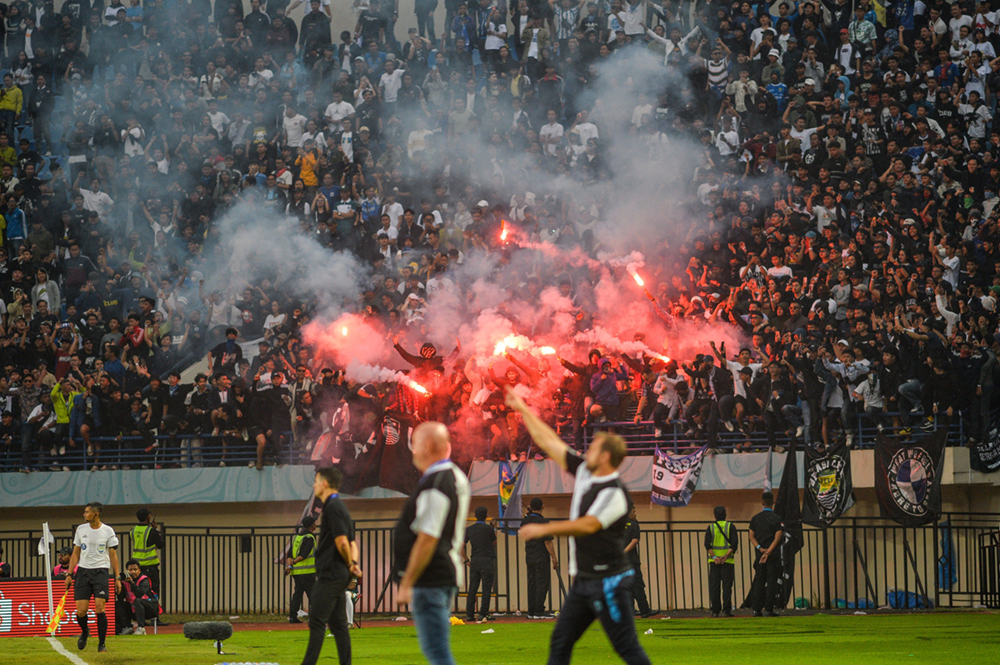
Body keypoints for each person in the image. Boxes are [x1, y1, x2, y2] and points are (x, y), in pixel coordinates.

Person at [507, 389, 651, 665]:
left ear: (606, 457)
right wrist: (524, 410)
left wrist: (546, 529)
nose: (587, 450)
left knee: (627, 648)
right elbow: (550, 443)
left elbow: (590, 525)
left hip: (608, 580)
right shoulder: (586, 471)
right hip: (584, 581)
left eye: (594, 447)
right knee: (560, 641)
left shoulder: (615, 492)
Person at [394, 422, 471, 665]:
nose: (412, 452)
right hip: (440, 574)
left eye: (414, 445)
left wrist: (407, 581)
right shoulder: (454, 476)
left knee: (437, 652)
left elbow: (428, 537)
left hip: (431, 578)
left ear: (427, 446)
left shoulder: (437, 482)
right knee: (437, 651)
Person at [299, 467, 361, 665]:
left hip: (331, 574)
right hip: (338, 573)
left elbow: (342, 542)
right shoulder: (341, 508)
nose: (314, 485)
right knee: (339, 626)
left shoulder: (333, 507)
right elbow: (352, 543)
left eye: (316, 481)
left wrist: (350, 563)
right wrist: (353, 565)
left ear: (324, 483)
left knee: (316, 621)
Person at [65, 502, 122, 653]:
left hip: (101, 572)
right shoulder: (81, 530)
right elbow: (76, 553)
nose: (84, 514)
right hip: (83, 573)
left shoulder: (108, 531)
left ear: (95, 514)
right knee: (81, 611)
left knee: (99, 607)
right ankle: (85, 631)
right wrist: (70, 574)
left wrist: (117, 577)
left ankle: (101, 644)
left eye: (86, 512)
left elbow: (113, 555)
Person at [748, 491, 784, 617]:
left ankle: (756, 609)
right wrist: (768, 552)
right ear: (773, 502)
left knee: (759, 580)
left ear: (762, 503)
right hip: (772, 555)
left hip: (760, 555)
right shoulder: (777, 519)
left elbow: (751, 536)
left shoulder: (755, 518)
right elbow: (777, 538)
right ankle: (769, 609)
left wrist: (760, 548)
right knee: (771, 581)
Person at [522, 497, 558, 619]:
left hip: (529, 556)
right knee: (542, 583)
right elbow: (548, 542)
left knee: (532, 584)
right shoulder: (543, 522)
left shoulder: (526, 521)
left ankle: (531, 611)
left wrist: (528, 515)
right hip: (541, 556)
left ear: (530, 507)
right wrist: (553, 556)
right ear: (543, 506)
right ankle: (539, 610)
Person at [462, 505, 496, 623]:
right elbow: (494, 543)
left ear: (475, 516)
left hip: (475, 560)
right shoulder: (489, 529)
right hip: (487, 560)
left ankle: (470, 614)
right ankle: (483, 614)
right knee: (487, 588)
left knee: (473, 587)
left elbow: (461, 546)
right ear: (486, 516)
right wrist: (494, 529)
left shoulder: (469, 529)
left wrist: (466, 560)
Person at [704, 505, 738, 617]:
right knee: (727, 586)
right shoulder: (730, 527)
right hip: (727, 561)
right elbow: (734, 544)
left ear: (714, 516)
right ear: (725, 515)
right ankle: (726, 610)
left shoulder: (710, 527)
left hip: (714, 562)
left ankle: (715, 611)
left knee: (714, 586)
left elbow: (707, 544)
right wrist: (726, 556)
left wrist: (715, 557)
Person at [624, 505, 656, 618]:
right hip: (631, 560)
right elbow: (634, 541)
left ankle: (629, 610)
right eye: (633, 511)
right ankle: (645, 610)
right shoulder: (634, 525)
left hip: (621, 563)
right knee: (637, 585)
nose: (635, 514)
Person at [129, 508, 164, 610]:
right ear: (148, 516)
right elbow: (160, 545)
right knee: (154, 592)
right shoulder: (151, 531)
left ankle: (141, 615)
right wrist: (156, 530)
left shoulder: (132, 530)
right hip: (151, 567)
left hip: (137, 568)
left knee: (139, 592)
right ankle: (154, 616)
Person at [287, 515, 317, 624]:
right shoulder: (310, 537)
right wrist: (294, 562)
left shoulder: (297, 537)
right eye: (314, 522)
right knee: (313, 595)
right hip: (307, 572)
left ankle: (292, 617)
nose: (316, 524)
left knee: (297, 595)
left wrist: (290, 566)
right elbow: (304, 554)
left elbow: (290, 554)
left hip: (296, 572)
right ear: (312, 525)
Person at [122, 558, 159, 634]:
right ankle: (127, 627)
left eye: (135, 569)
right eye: (130, 570)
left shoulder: (144, 580)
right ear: (127, 571)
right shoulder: (124, 582)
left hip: (149, 609)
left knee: (138, 601)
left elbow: (139, 594)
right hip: (134, 610)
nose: (133, 572)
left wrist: (132, 583)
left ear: (139, 570)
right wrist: (119, 585)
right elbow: (121, 597)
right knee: (119, 604)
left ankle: (141, 628)